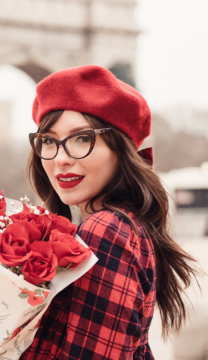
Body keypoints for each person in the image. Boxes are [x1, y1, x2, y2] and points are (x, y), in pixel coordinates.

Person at [20, 65, 200, 360]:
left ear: (120, 150)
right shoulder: (128, 225)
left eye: (82, 138)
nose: (61, 158)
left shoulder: (106, 229)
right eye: (49, 141)